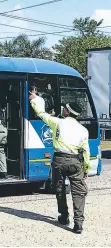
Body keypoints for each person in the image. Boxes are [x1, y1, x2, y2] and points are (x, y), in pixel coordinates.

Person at [29, 89, 91, 234]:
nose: (63, 110)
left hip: (59, 160)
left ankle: (63, 216)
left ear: (67, 112)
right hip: (76, 162)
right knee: (79, 193)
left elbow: (41, 114)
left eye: (64, 109)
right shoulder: (83, 130)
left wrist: (34, 99)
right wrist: (86, 168)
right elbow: (86, 151)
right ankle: (78, 223)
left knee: (60, 189)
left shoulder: (58, 123)